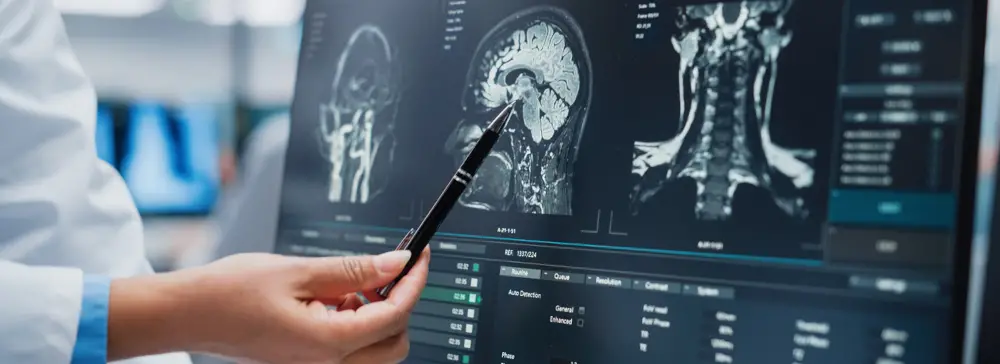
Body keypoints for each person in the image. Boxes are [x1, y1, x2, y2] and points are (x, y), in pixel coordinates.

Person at [0, 1, 429, 364]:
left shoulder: (277, 147)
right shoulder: (279, 147)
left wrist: (183, 314)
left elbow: (55, 220)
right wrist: (192, 313)